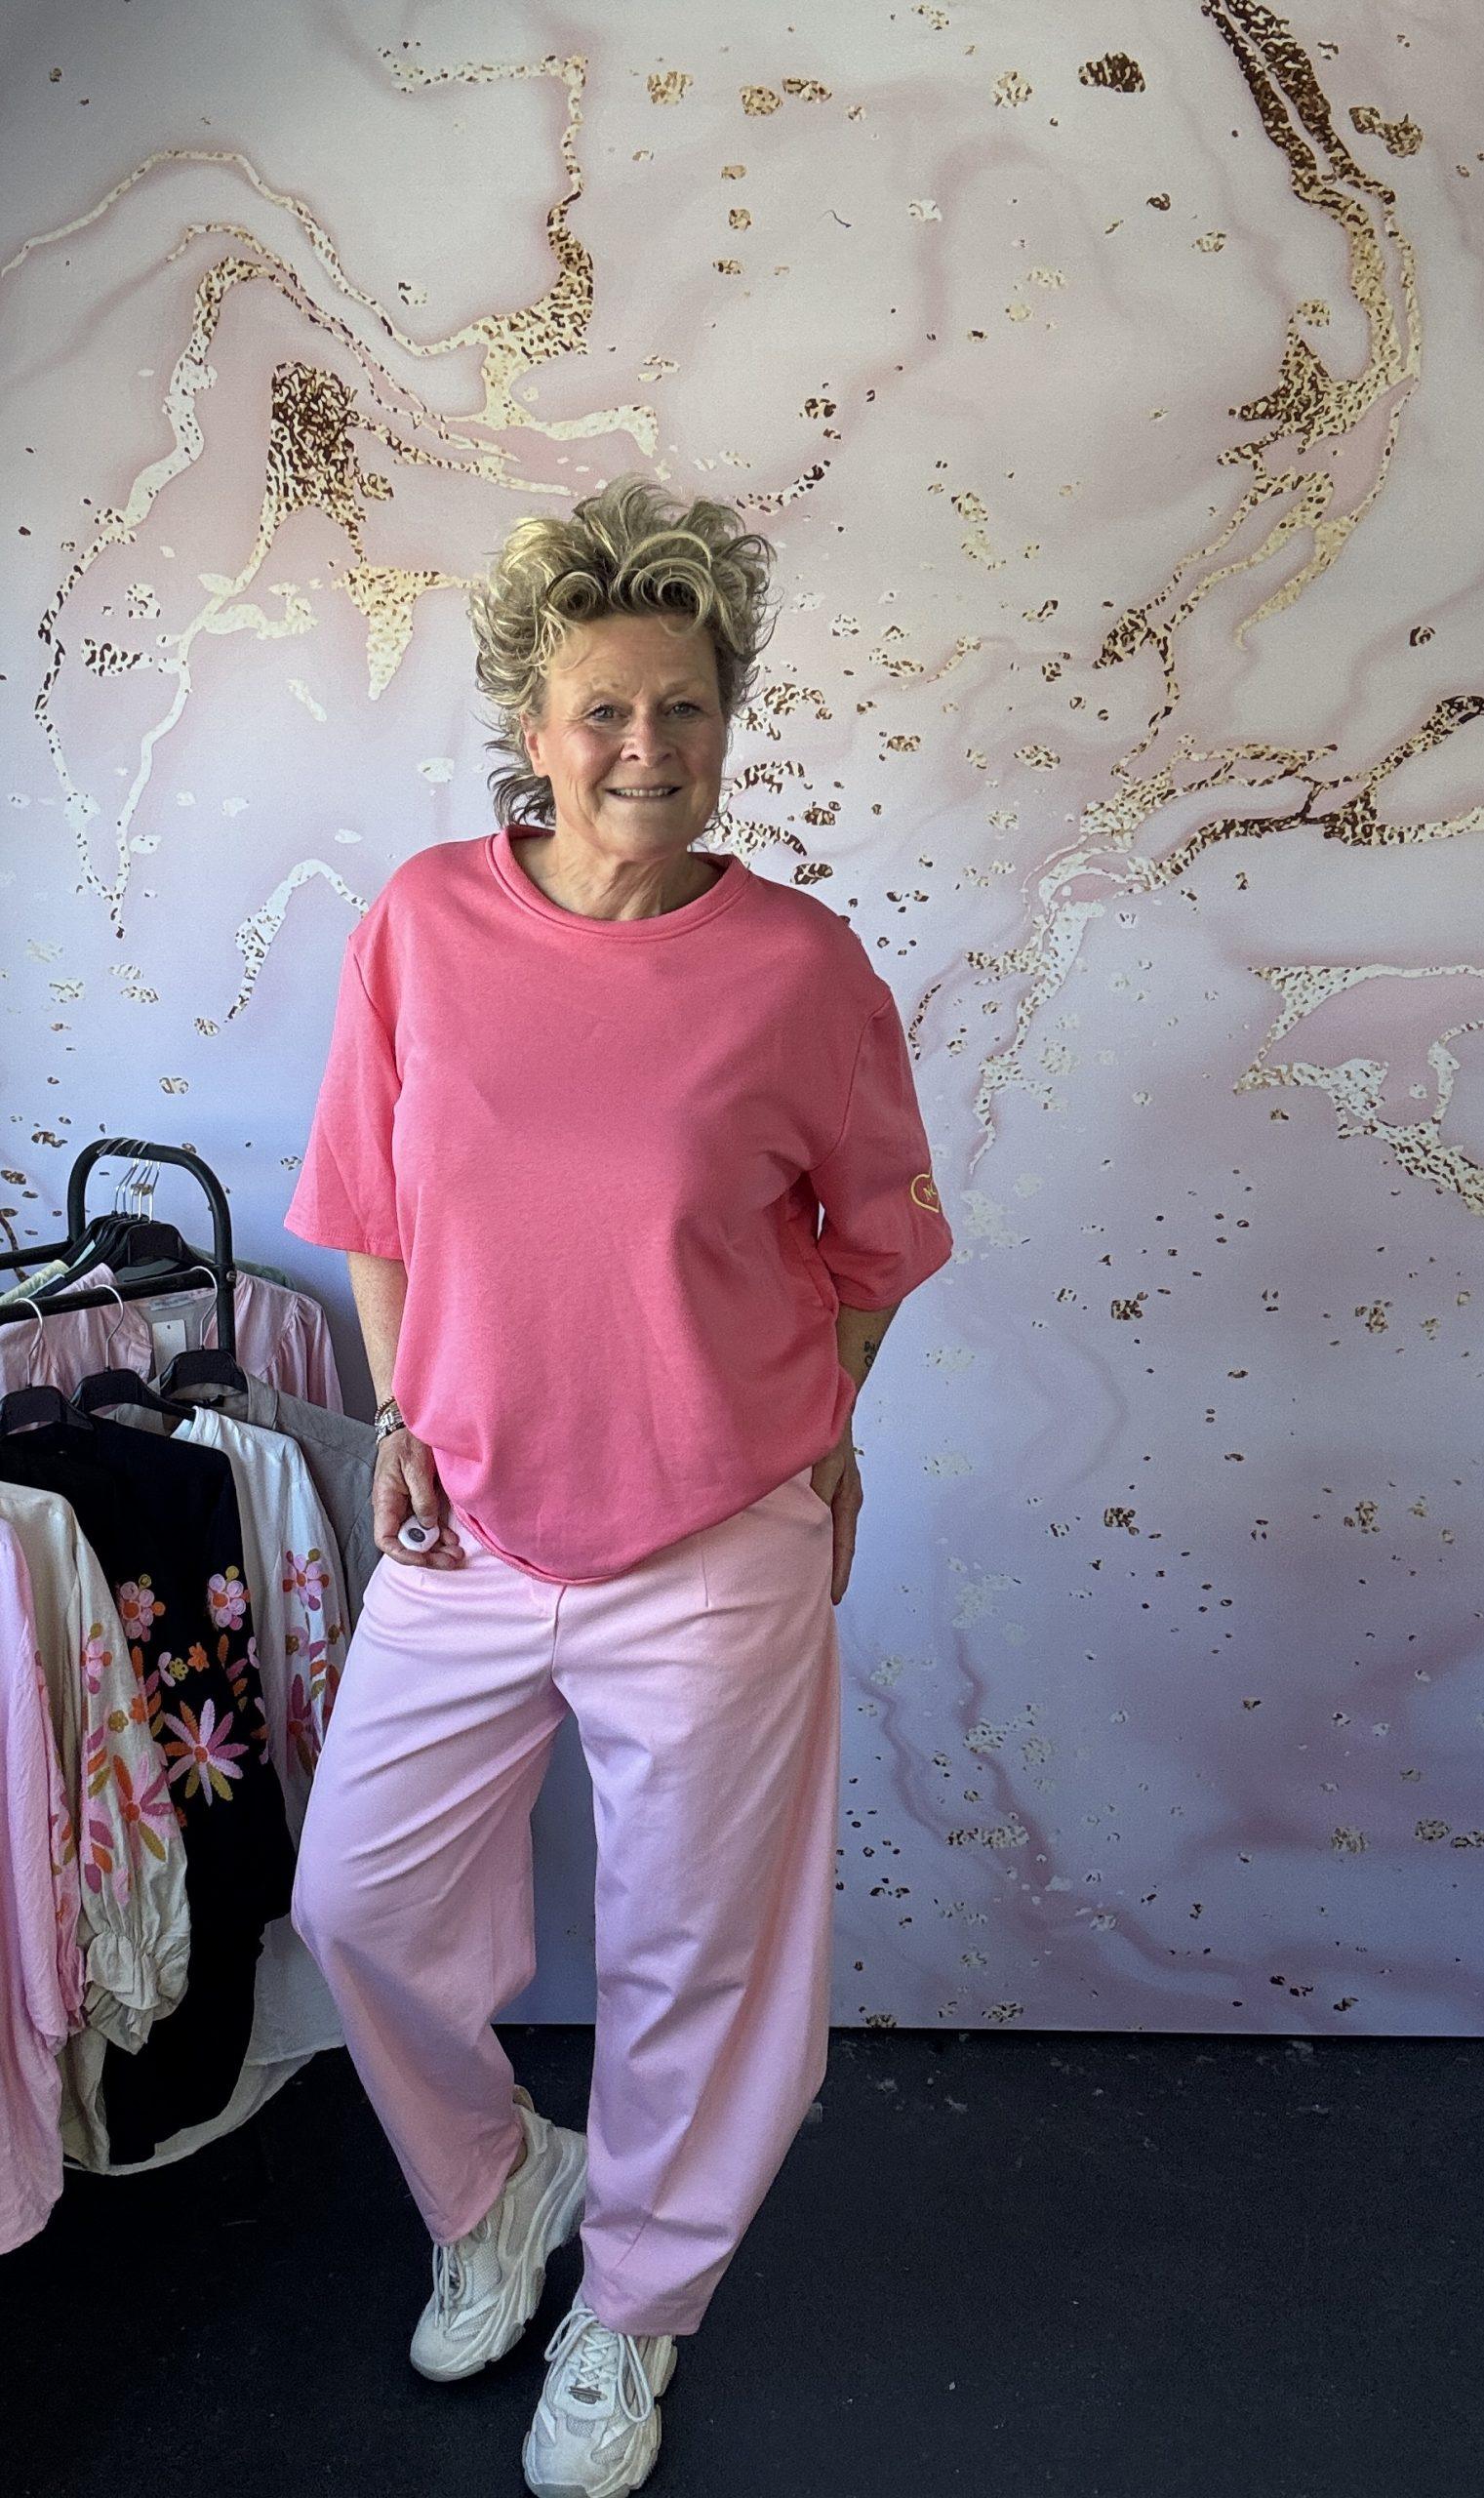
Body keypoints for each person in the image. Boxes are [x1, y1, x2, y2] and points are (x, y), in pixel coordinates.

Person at [283, 474, 954, 2498]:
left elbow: (874, 1239)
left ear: (725, 718)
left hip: (714, 1539)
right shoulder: (423, 923)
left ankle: (636, 2304)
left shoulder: (799, 967)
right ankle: (498, 2183)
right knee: (357, 1899)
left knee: (698, 1959)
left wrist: (823, 1436)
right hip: (469, 1523)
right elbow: (371, 1201)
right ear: (533, 723)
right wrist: (400, 1415)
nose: (645, 747)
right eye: (603, 709)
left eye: (683, 706)